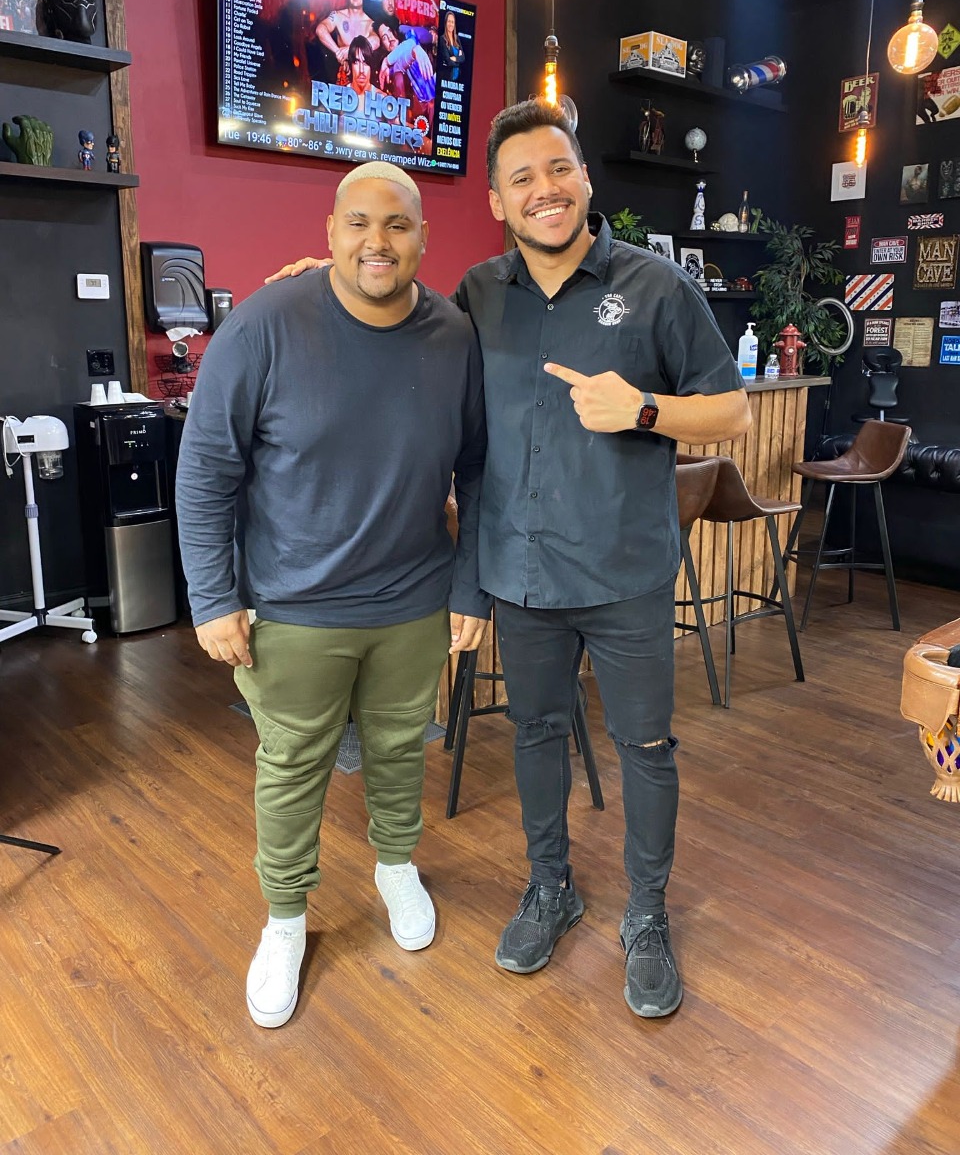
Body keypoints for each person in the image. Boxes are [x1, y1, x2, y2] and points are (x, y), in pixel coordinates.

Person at [265, 100, 751, 1020]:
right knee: (533, 736)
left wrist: (644, 409)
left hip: (627, 570)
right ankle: (550, 887)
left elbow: (732, 412)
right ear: (496, 200)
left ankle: (647, 915)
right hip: (522, 573)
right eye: (521, 178)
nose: (544, 190)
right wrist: (319, 285)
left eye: (558, 169)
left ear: (585, 179)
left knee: (646, 748)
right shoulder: (478, 295)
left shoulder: (655, 287)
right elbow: (394, 315)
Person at [176, 162, 488, 1030]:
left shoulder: (454, 337)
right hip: (292, 608)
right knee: (292, 768)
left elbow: (478, 471)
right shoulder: (264, 324)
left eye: (397, 224)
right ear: (331, 232)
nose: (376, 242)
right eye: (359, 223)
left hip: (413, 600)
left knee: (398, 747)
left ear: (423, 238)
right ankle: (285, 919)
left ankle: (395, 866)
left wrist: (470, 585)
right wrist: (211, 597)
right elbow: (205, 469)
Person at [315, 0, 380, 70]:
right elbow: (320, 30)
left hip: (362, 74)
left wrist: (350, 50)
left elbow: (376, 41)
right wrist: (338, 53)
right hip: (340, 73)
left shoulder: (369, 23)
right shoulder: (338, 15)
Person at [439, 11, 465, 80]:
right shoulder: (442, 39)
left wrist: (454, 58)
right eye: (449, 21)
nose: (451, 24)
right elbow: (448, 60)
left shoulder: (457, 38)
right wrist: (458, 61)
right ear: (446, 23)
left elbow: (463, 57)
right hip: (447, 76)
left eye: (452, 22)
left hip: (458, 77)